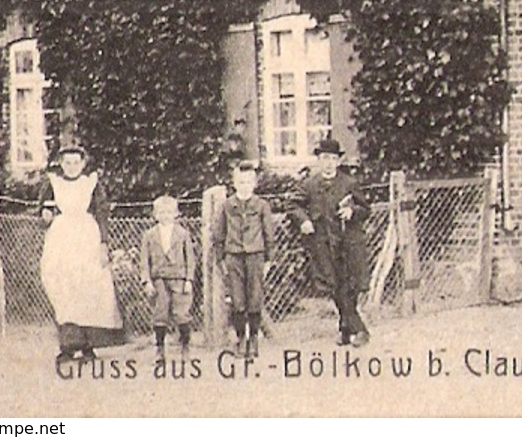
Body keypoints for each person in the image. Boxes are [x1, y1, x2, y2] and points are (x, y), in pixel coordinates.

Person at [38, 143, 126, 363]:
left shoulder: (91, 183)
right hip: (61, 239)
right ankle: (68, 346)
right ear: (61, 163)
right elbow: (43, 210)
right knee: (63, 287)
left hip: (86, 237)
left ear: (83, 163)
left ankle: (88, 346)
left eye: (76, 162)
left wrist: (104, 243)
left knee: (89, 287)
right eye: (67, 162)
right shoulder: (52, 183)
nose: (71, 167)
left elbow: (102, 214)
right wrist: (45, 216)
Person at [290, 138, 371, 345]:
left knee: (349, 287)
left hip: (348, 243)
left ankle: (350, 329)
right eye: (324, 158)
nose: (328, 163)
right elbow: (293, 206)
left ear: (338, 161)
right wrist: (304, 220)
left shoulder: (349, 183)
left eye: (333, 158)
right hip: (323, 244)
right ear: (318, 159)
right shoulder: (309, 184)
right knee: (334, 286)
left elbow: (366, 210)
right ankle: (356, 329)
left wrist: (352, 211)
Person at [212, 161, 276, 359]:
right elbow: (218, 235)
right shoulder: (226, 206)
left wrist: (268, 260)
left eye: (248, 181)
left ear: (255, 183)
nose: (245, 185)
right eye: (241, 181)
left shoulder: (262, 205)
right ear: (234, 183)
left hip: (255, 256)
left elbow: (269, 234)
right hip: (234, 257)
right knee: (238, 301)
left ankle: (254, 339)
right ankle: (241, 339)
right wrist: (221, 259)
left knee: (255, 299)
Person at [139, 194, 197, 359]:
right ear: (156, 215)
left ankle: (185, 346)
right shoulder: (149, 235)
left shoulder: (183, 234)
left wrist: (189, 280)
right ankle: (160, 349)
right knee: (160, 314)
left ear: (176, 214)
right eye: (161, 212)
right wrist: (147, 281)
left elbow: (190, 259)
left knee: (181, 313)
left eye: (169, 212)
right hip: (159, 279)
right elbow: (144, 261)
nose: (165, 216)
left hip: (179, 278)